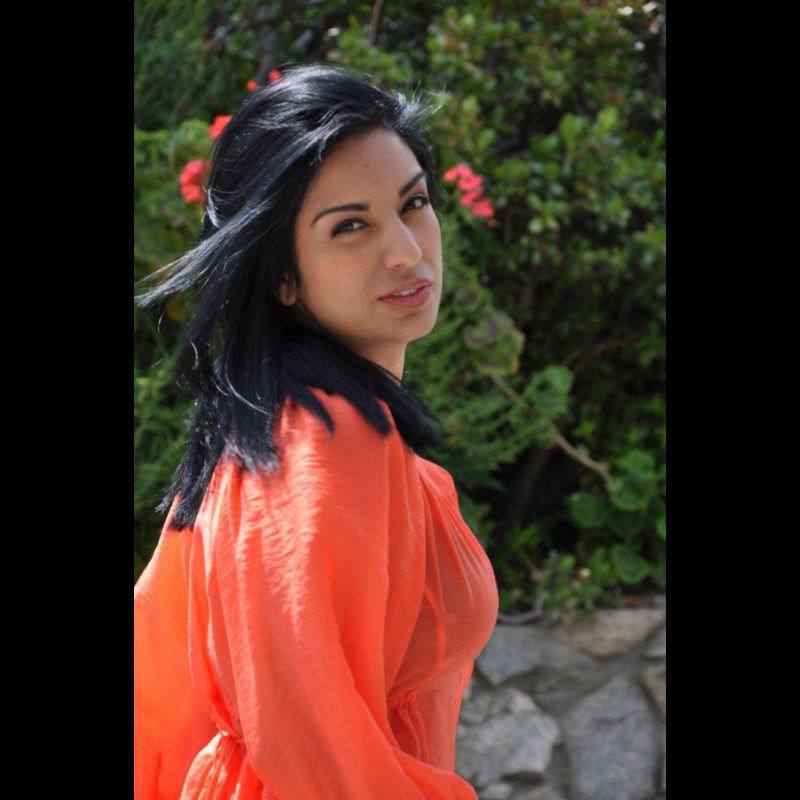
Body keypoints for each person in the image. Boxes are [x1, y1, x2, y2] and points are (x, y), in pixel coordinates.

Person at [134, 62, 499, 800]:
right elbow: (317, 755)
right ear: (283, 275)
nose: (406, 250)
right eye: (350, 226)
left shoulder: (304, 433)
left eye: (414, 203)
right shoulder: (314, 444)